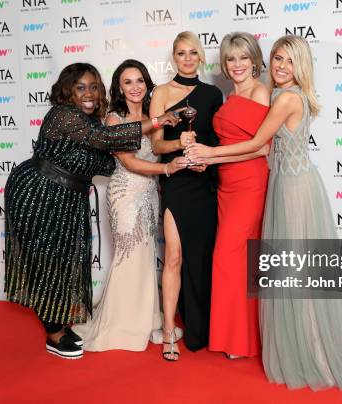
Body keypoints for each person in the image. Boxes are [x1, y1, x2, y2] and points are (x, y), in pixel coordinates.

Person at [186, 36, 342, 390]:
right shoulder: (276, 95)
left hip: (295, 189)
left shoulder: (286, 97)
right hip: (284, 183)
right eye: (277, 59)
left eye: (288, 61)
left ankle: (316, 354)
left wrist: (208, 154)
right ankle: (301, 345)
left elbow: (259, 144)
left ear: (301, 65)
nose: (281, 67)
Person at [4, 62, 180, 360]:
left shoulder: (93, 122)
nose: (89, 93)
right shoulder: (64, 115)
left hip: (68, 195)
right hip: (38, 191)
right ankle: (54, 333)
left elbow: (107, 159)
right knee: (48, 260)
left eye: (94, 87)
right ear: (67, 91)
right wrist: (161, 120)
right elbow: (107, 141)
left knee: (65, 259)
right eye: (81, 87)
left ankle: (60, 322)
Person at [72, 60, 187, 352]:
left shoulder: (154, 115)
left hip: (150, 194)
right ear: (119, 88)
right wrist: (168, 170)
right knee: (128, 255)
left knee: (146, 256)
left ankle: (146, 319)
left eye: (139, 81)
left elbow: (160, 148)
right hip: (125, 193)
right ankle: (121, 323)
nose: (135, 87)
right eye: (128, 82)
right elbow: (129, 161)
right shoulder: (113, 119)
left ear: (147, 83)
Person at [149, 31, 223, 360]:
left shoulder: (213, 94)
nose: (188, 58)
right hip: (177, 182)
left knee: (202, 258)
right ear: (174, 57)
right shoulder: (162, 93)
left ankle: (203, 328)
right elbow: (156, 146)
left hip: (203, 182)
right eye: (181, 53)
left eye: (194, 52)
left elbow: (218, 142)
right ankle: (168, 333)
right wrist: (180, 146)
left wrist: (204, 159)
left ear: (201, 56)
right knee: (175, 257)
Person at [200, 32, 271, 359]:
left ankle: (241, 340)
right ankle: (242, 339)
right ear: (225, 65)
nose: (238, 64)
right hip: (226, 185)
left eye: (243, 57)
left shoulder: (260, 93)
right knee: (240, 260)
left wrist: (211, 155)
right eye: (231, 58)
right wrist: (208, 157)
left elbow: (262, 146)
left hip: (249, 183)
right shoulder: (231, 95)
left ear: (254, 59)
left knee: (228, 256)